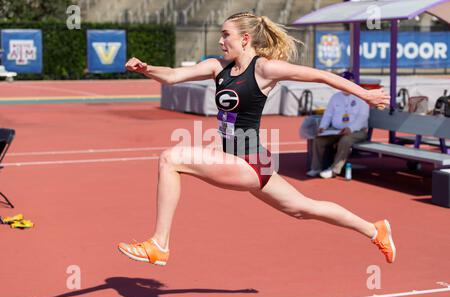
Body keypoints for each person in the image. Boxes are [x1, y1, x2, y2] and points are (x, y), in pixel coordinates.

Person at [118, 12, 396, 266]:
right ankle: (375, 230)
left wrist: (366, 94)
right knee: (303, 208)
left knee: (171, 158)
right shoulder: (218, 67)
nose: (221, 40)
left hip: (249, 162)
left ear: (245, 39)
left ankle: (159, 244)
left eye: (226, 34)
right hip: (249, 160)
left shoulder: (265, 69)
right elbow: (173, 76)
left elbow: (321, 76)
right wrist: (147, 68)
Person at [307, 71, 370, 179]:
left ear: (353, 82)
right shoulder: (335, 97)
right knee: (319, 139)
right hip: (335, 130)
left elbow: (363, 117)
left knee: (345, 140)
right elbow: (328, 114)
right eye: (342, 82)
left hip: (357, 132)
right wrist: (323, 127)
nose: (343, 85)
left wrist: (350, 128)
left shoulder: (361, 97)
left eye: (347, 82)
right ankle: (316, 168)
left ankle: (334, 169)